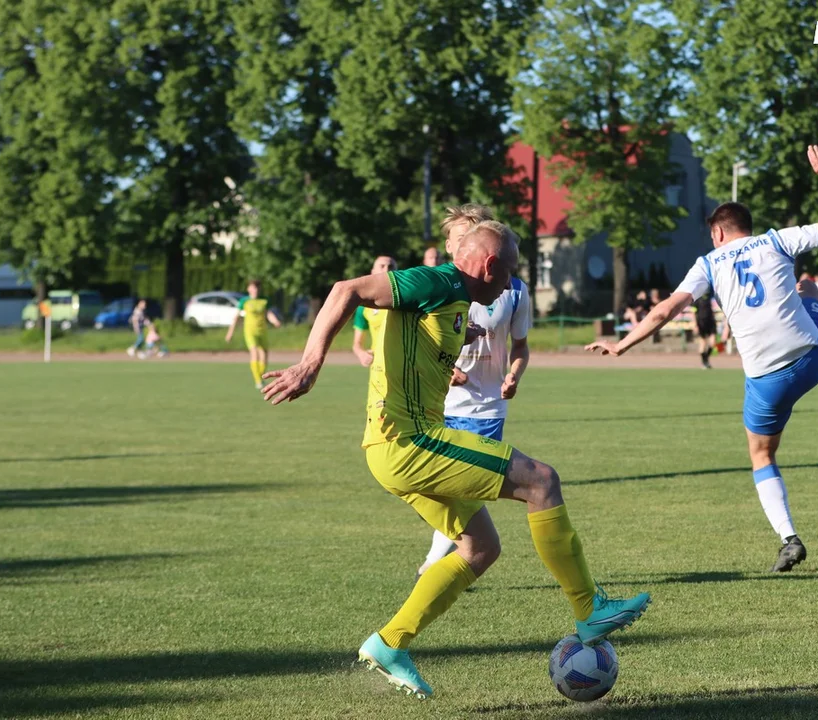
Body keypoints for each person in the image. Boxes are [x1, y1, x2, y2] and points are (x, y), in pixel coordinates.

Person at [261, 221, 650, 698]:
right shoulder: (437, 281)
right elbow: (347, 289)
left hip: (395, 449)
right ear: (488, 265)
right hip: (409, 442)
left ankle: (390, 643)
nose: (510, 282)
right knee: (541, 481)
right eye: (508, 271)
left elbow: (421, 337)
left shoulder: (455, 300)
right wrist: (309, 363)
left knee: (480, 548)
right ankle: (589, 608)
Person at [586, 145, 818, 572]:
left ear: (717, 233)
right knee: (810, 289)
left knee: (761, 456)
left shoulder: (709, 263)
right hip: (811, 359)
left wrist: (622, 345)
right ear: (747, 227)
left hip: (765, 380)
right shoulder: (777, 240)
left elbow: (665, 309)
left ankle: (788, 537)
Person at [417, 204, 534, 579]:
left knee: (465, 488)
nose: (455, 245)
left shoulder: (513, 290)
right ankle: (451, 557)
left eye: (464, 236)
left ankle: (438, 562)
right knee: (444, 485)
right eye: (454, 238)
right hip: (437, 402)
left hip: (485, 407)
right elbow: (420, 339)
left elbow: (520, 346)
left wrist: (514, 374)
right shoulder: (436, 285)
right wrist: (446, 365)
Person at [225, 280, 282, 389]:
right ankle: (258, 381)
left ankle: (259, 376)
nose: (255, 290)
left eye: (257, 288)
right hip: (250, 331)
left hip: (262, 331)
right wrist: (230, 333)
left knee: (264, 355)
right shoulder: (244, 301)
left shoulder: (264, 300)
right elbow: (236, 317)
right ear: (248, 289)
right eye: (253, 288)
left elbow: (268, 313)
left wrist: (275, 321)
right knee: (254, 352)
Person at [351, 256, 398, 367]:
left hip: (403, 366)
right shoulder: (364, 306)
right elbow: (356, 344)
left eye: (390, 266)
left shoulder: (407, 300)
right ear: (373, 272)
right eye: (382, 266)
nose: (386, 270)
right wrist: (362, 354)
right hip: (377, 367)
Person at [693, 292, 718, 369]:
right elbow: (694, 312)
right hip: (701, 322)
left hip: (711, 322)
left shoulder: (709, 297)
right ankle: (704, 362)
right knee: (703, 342)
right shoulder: (697, 299)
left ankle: (706, 359)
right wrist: (695, 325)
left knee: (713, 342)